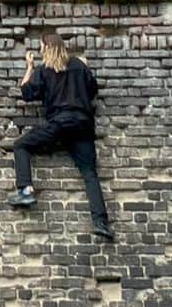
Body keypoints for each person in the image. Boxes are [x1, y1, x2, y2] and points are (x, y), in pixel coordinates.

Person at [7, 33, 114, 241]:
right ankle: (101, 223)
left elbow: (27, 93)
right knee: (90, 174)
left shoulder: (44, 69)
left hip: (59, 123)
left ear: (46, 48)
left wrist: (29, 66)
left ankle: (26, 190)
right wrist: (87, 68)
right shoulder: (78, 65)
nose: (39, 51)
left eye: (40, 47)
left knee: (21, 146)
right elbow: (92, 89)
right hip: (82, 126)